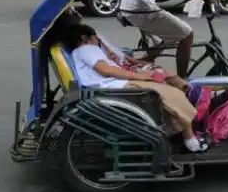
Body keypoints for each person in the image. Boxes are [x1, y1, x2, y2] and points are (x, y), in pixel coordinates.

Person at [65, 23, 209, 152]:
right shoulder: (86, 49)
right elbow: (106, 70)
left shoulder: (80, 53)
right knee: (173, 94)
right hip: (115, 86)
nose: (98, 42)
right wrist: (139, 76)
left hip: (112, 85)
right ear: (85, 39)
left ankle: (185, 130)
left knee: (165, 84)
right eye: (96, 39)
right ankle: (191, 141)